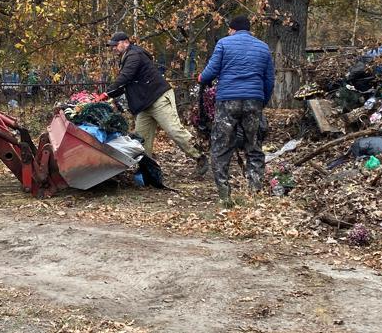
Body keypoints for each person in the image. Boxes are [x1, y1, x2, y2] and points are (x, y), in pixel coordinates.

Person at [199, 15, 275, 204]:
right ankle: (254, 193)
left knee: (221, 146)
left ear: (232, 29)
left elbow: (210, 72)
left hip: (227, 102)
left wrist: (201, 78)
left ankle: (225, 194)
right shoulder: (263, 47)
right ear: (249, 30)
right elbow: (269, 80)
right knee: (254, 146)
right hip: (253, 101)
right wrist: (261, 101)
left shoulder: (224, 44)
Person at [102, 31, 202, 166]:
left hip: (158, 98)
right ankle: (145, 170)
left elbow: (125, 77)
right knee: (140, 141)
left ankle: (200, 156)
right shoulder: (127, 57)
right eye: (112, 46)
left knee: (174, 130)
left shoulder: (134, 55)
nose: (114, 48)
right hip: (144, 105)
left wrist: (106, 93)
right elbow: (124, 84)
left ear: (126, 42)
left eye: (116, 45)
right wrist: (107, 95)